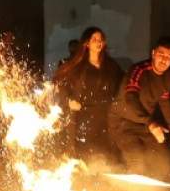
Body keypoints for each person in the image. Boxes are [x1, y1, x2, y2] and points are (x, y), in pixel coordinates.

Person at [109, 36, 170, 179]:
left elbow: (164, 102)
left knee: (162, 164)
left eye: (169, 57)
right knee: (137, 162)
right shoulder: (139, 69)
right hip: (122, 121)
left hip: (144, 123)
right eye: (161, 55)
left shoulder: (168, 77)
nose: (164, 60)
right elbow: (130, 97)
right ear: (153, 53)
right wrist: (152, 124)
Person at [52, 27, 123, 167]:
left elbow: (123, 83)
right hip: (84, 117)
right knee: (83, 155)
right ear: (87, 43)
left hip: (105, 117)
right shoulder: (78, 66)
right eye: (94, 39)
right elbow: (60, 83)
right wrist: (68, 100)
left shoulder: (110, 66)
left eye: (101, 40)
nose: (98, 42)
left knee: (104, 156)